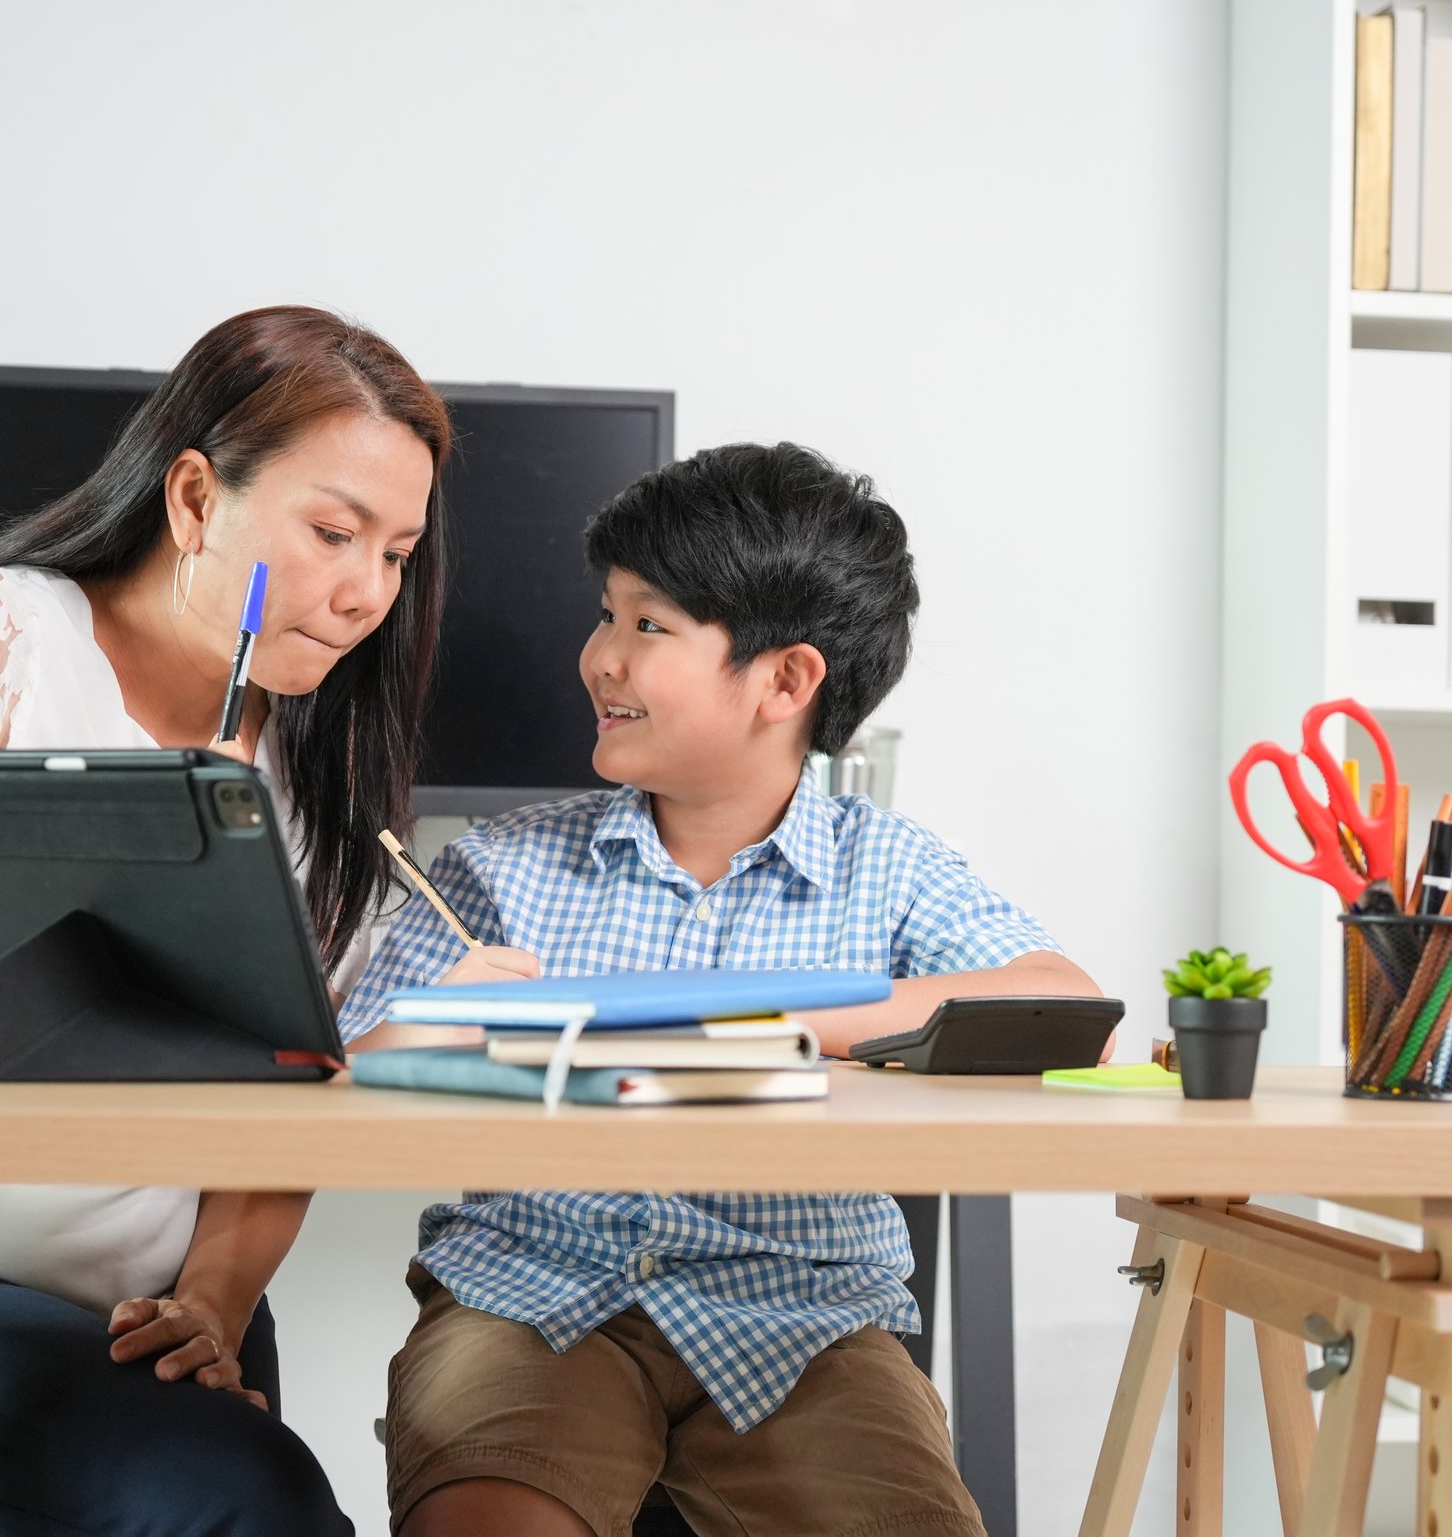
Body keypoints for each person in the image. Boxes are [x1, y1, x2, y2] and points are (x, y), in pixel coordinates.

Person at [0, 305, 449, 1535]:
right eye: (334, 533)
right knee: (242, 1506)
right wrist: (95, 904)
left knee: (254, 1496)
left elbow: (288, 1099)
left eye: (399, 553)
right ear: (198, 499)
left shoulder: (315, 765)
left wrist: (214, 1299)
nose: (367, 590)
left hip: (157, 1312)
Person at [341, 442, 1104, 1537]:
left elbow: (1058, 999)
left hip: (807, 1313)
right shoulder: (494, 871)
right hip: (531, 1297)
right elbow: (345, 1079)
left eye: (646, 627)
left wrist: (765, 1019)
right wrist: (428, 1026)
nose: (598, 658)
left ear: (786, 681)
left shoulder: (883, 867)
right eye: (606, 616)